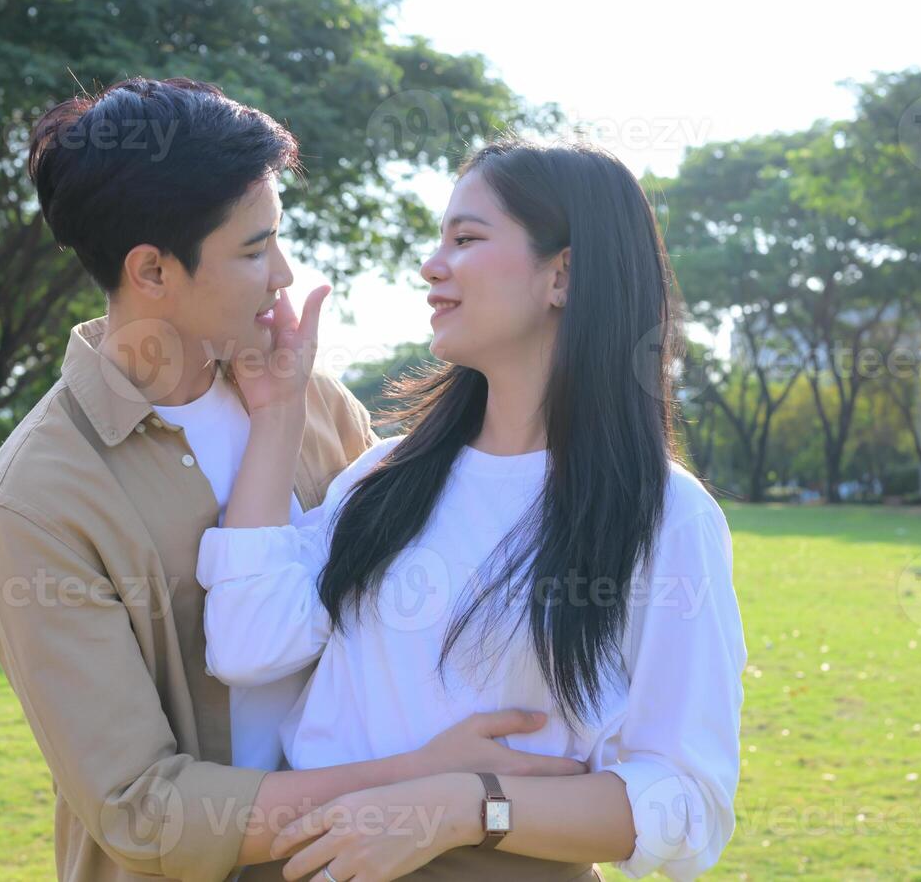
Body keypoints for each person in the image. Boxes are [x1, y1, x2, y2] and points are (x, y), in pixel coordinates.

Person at [0, 79, 587, 882]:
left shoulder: (319, 405)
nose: (283, 276)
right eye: (255, 249)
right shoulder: (38, 500)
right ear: (152, 270)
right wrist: (426, 778)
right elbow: (143, 807)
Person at [201, 139, 748, 881]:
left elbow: (685, 804)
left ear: (564, 275)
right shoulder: (385, 477)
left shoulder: (662, 517)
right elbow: (247, 644)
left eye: (466, 239)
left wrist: (463, 805)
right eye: (440, 239)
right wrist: (275, 415)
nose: (432, 265)